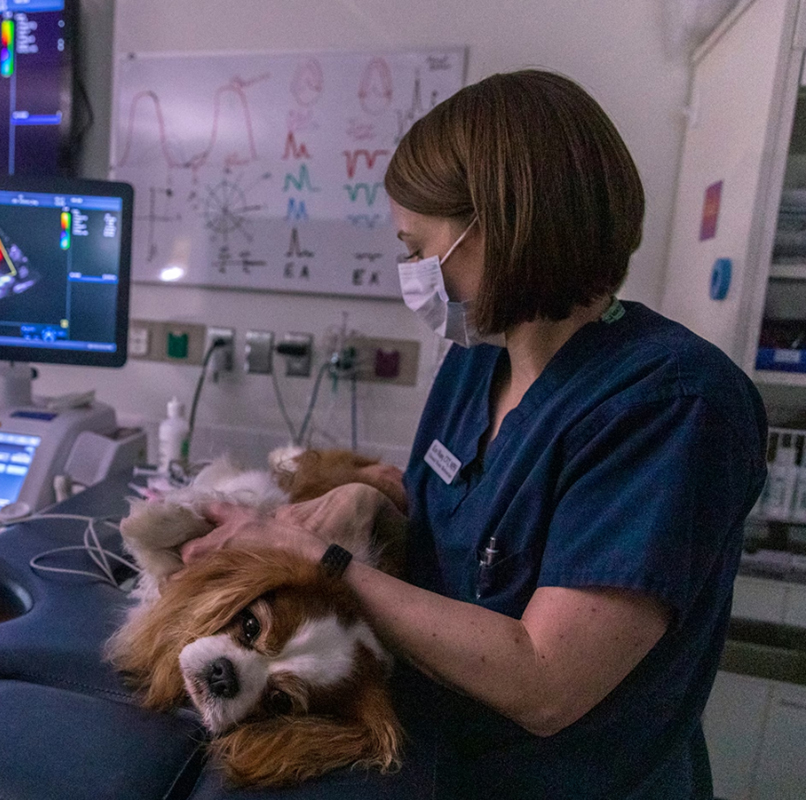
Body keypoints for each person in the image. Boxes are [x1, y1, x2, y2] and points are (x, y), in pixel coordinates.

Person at [181, 70, 767, 798]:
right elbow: (459, 552)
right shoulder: (476, 363)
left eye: (417, 247)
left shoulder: (672, 404)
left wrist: (322, 561)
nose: (412, 275)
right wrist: (375, 510)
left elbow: (546, 682)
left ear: (500, 225)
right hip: (433, 756)